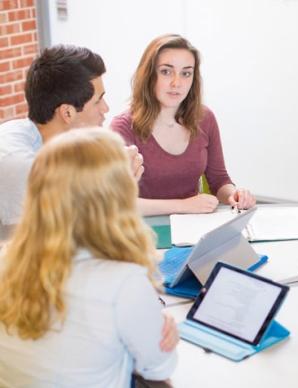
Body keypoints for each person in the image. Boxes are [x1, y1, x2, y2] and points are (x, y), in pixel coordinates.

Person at [0, 129, 178, 386]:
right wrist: (164, 327)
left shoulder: (7, 263)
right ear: (113, 197)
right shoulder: (123, 283)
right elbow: (160, 369)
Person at [111, 34, 255, 216]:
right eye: (166, 71)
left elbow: (219, 180)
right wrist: (184, 205)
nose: (176, 83)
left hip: (193, 227)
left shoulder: (205, 118)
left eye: (186, 73)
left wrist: (234, 195)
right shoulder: (122, 127)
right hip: (143, 232)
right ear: (149, 75)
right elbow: (117, 202)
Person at [0, 44, 143, 226]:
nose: (105, 108)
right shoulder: (20, 165)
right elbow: (61, 240)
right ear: (67, 113)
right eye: (98, 101)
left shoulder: (53, 146)